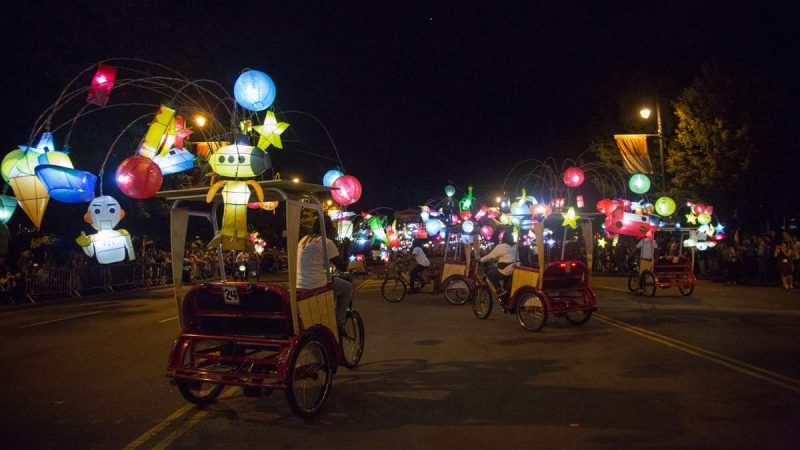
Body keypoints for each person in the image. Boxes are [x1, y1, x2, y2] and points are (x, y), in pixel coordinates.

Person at [297, 213, 352, 331]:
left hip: (299, 285)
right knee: (347, 287)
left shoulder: (303, 240)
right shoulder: (326, 242)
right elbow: (343, 267)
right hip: (317, 285)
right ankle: (339, 323)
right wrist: (347, 248)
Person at [480, 231, 517, 300]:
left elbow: (490, 256)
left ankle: (499, 290)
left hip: (506, 269)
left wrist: (480, 260)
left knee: (490, 274)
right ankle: (505, 294)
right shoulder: (515, 246)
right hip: (515, 269)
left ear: (503, 238)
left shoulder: (501, 246)